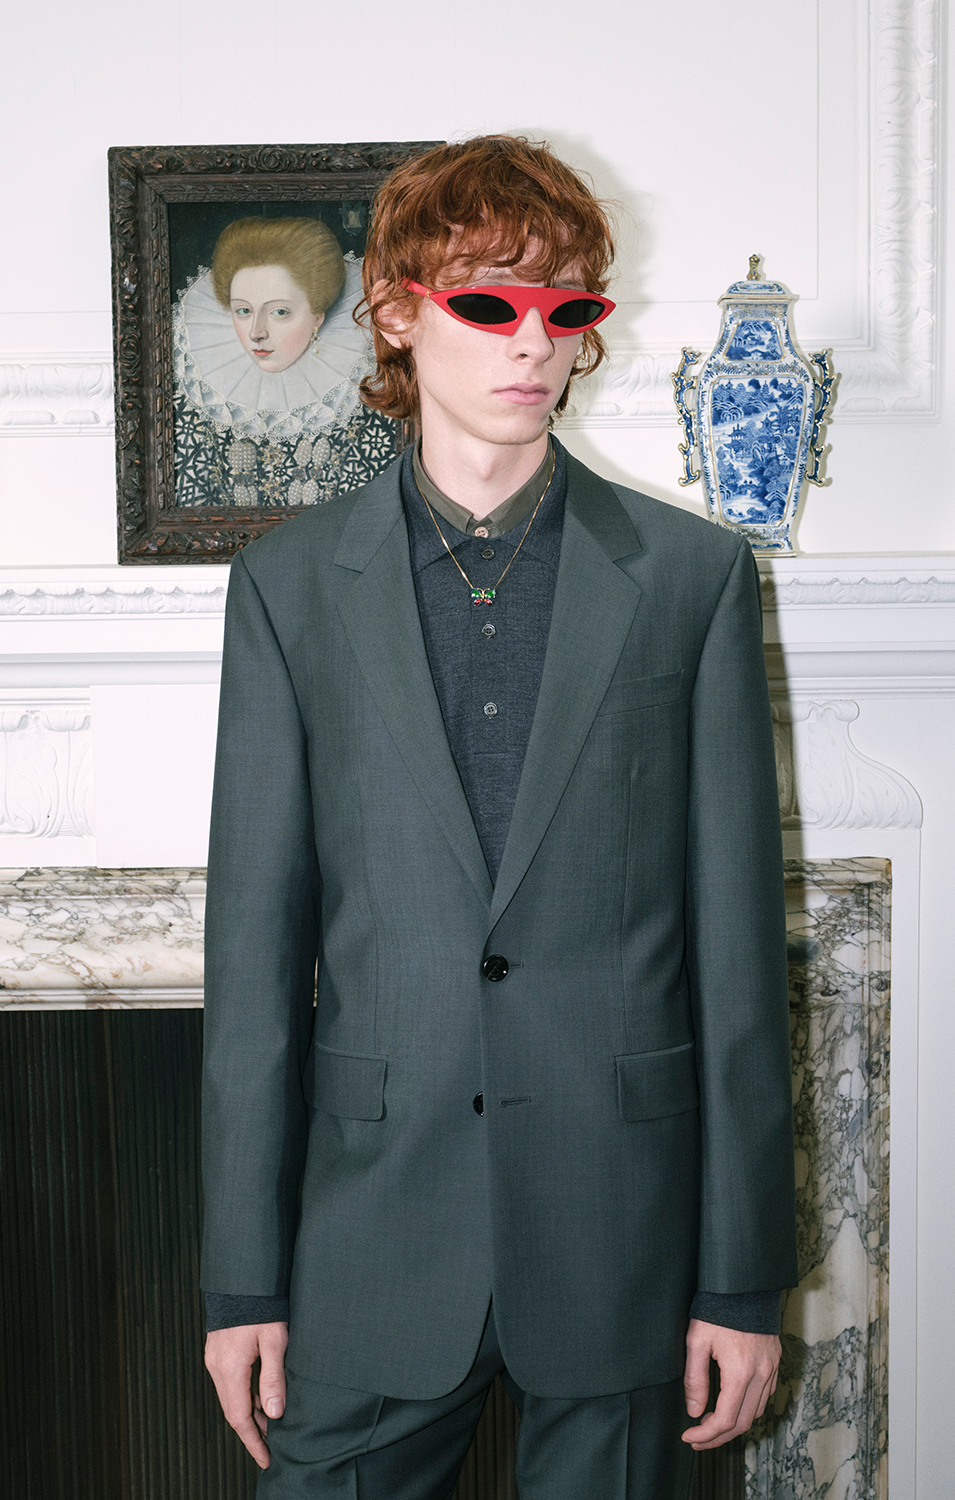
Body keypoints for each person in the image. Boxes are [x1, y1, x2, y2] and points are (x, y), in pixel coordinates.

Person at [200, 135, 798, 1500]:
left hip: (622, 1228)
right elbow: (252, 969)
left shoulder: (691, 578)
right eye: (489, 303)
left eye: (565, 307)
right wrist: (241, 1281)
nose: (534, 342)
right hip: (368, 1228)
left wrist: (742, 1278)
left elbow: (737, 961)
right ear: (398, 314)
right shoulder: (289, 588)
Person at [172, 215, 398, 508]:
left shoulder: (366, 398)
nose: (256, 333)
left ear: (317, 317)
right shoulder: (202, 399)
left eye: (279, 312)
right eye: (243, 311)